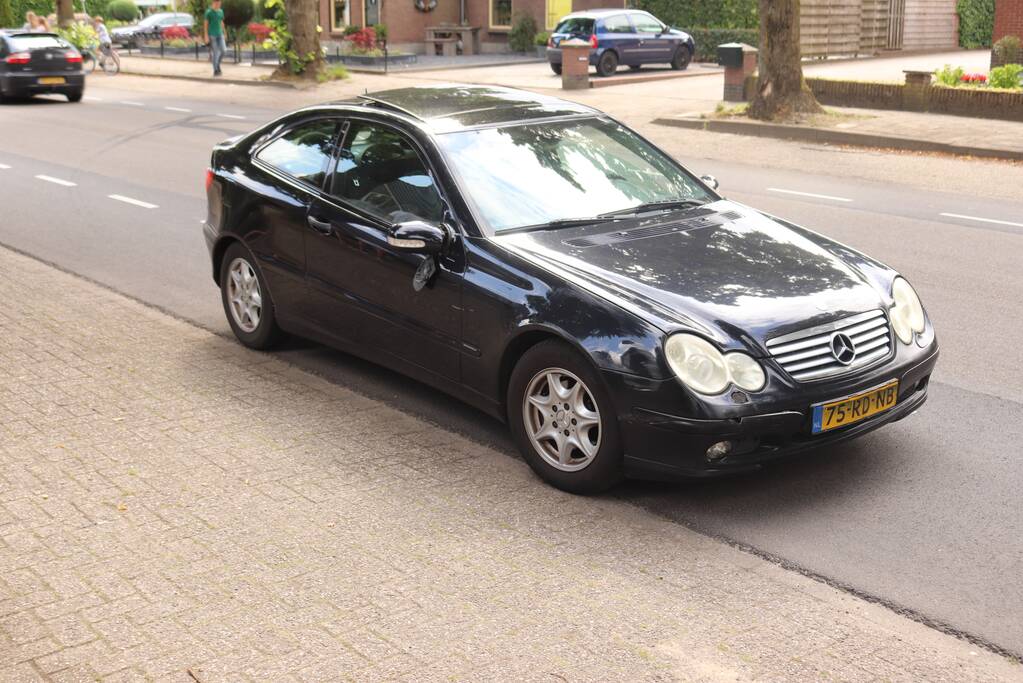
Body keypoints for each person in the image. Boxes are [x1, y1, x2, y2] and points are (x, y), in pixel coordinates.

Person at [203, 0, 226, 77]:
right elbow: (205, 25)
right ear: (214, 2)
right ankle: (215, 70)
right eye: (218, 3)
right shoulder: (208, 12)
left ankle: (217, 64)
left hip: (220, 34)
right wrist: (206, 36)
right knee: (215, 53)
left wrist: (225, 32)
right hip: (212, 35)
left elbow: (221, 22)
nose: (219, 4)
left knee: (224, 50)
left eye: (220, 3)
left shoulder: (221, 11)